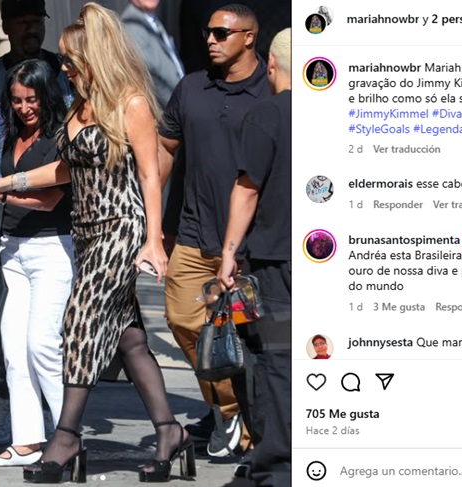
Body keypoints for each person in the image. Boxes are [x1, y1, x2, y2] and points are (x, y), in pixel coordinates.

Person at [0, 3, 192, 484]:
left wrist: (154, 239)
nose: (63, 67)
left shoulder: (130, 103)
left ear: (94, 56)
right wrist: (0, 185)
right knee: (130, 340)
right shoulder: (79, 106)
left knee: (80, 324)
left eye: (70, 59)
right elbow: (61, 170)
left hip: (120, 227)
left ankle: (65, 437)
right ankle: (170, 431)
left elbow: (150, 175)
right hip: (86, 232)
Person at [158, 3, 271, 457]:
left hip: (253, 243)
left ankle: (252, 420)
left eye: (221, 33)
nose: (210, 39)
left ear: (249, 37)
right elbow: (165, 148)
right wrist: (152, 219)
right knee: (183, 320)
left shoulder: (272, 90)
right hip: (193, 233)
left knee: (252, 339)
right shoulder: (191, 87)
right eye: (208, 32)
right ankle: (230, 409)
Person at [0, 0, 73, 445]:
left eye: (36, 21)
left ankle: (63, 424)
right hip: (1, 221)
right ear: (5, 24)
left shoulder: (64, 74)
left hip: (56, 221)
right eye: (22, 21)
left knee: (47, 333)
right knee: (6, 328)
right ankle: (9, 406)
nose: (31, 29)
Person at [0, 59, 75, 467]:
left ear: (46, 96)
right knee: (15, 349)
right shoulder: (12, 135)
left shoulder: (59, 138)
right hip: (12, 250)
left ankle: (68, 438)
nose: (23, 108)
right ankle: (27, 441)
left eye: (31, 99)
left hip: (53, 249)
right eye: (17, 100)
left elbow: (50, 199)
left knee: (43, 346)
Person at [217, 27, 291, 487]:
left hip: (278, 262)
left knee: (279, 360)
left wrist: (228, 254)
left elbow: (247, 189)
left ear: (272, 65)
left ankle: (280, 468)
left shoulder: (269, 113)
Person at [121, 0, 184, 109]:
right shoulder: (132, 26)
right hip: (165, 112)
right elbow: (151, 79)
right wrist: (181, 106)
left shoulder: (152, 19)